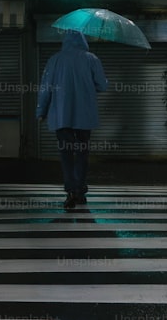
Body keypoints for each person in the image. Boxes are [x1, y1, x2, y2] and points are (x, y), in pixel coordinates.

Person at [35, 29, 109, 209]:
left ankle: (71, 191)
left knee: (66, 154)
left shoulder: (55, 60)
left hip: (62, 115)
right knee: (82, 153)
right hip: (84, 115)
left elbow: (46, 88)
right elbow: (103, 85)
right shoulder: (92, 59)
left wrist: (41, 111)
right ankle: (80, 191)